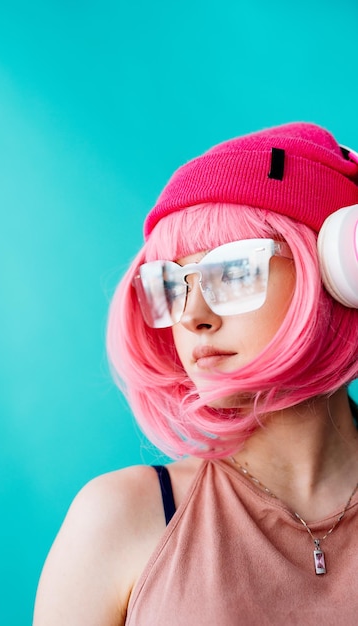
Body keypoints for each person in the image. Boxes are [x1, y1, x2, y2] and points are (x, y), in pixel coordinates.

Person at [33, 122, 358, 625]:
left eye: (233, 271)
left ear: (343, 271)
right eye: (172, 284)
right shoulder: (119, 520)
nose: (192, 315)